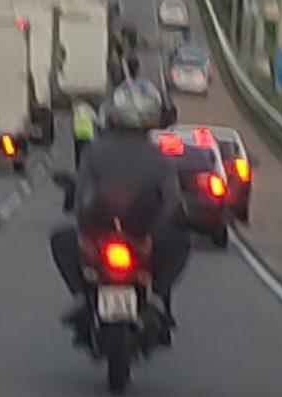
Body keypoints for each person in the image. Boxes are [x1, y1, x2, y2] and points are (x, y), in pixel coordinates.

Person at [49, 79, 190, 344]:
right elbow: (171, 202)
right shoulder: (159, 159)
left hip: (109, 236)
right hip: (134, 237)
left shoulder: (95, 152)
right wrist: (154, 235)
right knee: (181, 243)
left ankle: (82, 296)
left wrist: (84, 234)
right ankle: (156, 297)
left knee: (60, 240)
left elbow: (81, 198)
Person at [71, 100, 97, 168]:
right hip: (87, 133)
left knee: (79, 152)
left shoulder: (76, 106)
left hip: (79, 132)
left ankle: (79, 167)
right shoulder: (89, 108)